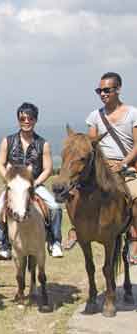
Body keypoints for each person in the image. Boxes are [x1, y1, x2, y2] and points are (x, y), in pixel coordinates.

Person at [65, 72, 137, 265]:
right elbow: (91, 145)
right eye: (100, 91)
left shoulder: (132, 113)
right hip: (100, 165)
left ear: (118, 89)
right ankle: (76, 228)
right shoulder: (95, 116)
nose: (103, 94)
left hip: (125, 164)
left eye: (107, 90)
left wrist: (122, 163)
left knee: (135, 195)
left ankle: (133, 237)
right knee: (71, 192)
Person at [0, 102, 63, 260]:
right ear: (18, 120)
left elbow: (48, 169)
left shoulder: (43, 144)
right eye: (23, 118)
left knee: (55, 207)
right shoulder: (7, 141)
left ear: (35, 120)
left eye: (30, 118)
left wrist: (35, 183)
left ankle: (54, 241)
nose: (26, 121)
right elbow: (0, 164)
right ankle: (4, 245)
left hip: (35, 185)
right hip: (14, 186)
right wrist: (10, 181)